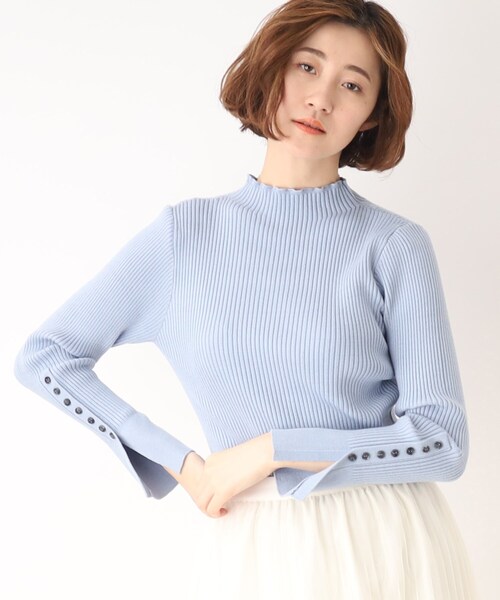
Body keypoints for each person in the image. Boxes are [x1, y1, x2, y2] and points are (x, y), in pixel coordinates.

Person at [13, 0, 478, 598]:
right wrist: (182, 464)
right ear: (272, 69)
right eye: (307, 67)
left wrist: (275, 451)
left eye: (352, 85)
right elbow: (46, 357)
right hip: (256, 544)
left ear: (370, 116)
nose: (321, 99)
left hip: (383, 538)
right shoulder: (183, 238)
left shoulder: (393, 245)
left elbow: (442, 442)